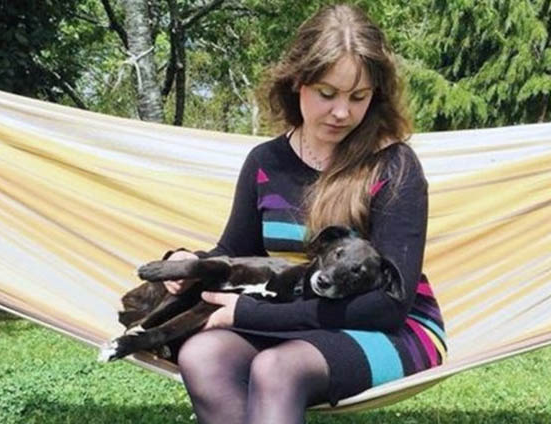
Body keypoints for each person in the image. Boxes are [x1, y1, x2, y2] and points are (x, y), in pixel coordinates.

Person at [162, 4, 447, 423]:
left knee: (278, 368)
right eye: (327, 93)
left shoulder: (394, 166)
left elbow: (390, 304)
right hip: (291, 316)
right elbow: (235, 251)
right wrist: (189, 263)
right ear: (298, 81)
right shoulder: (265, 162)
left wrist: (256, 315)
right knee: (203, 353)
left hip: (387, 327)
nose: (342, 112)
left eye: (359, 97)